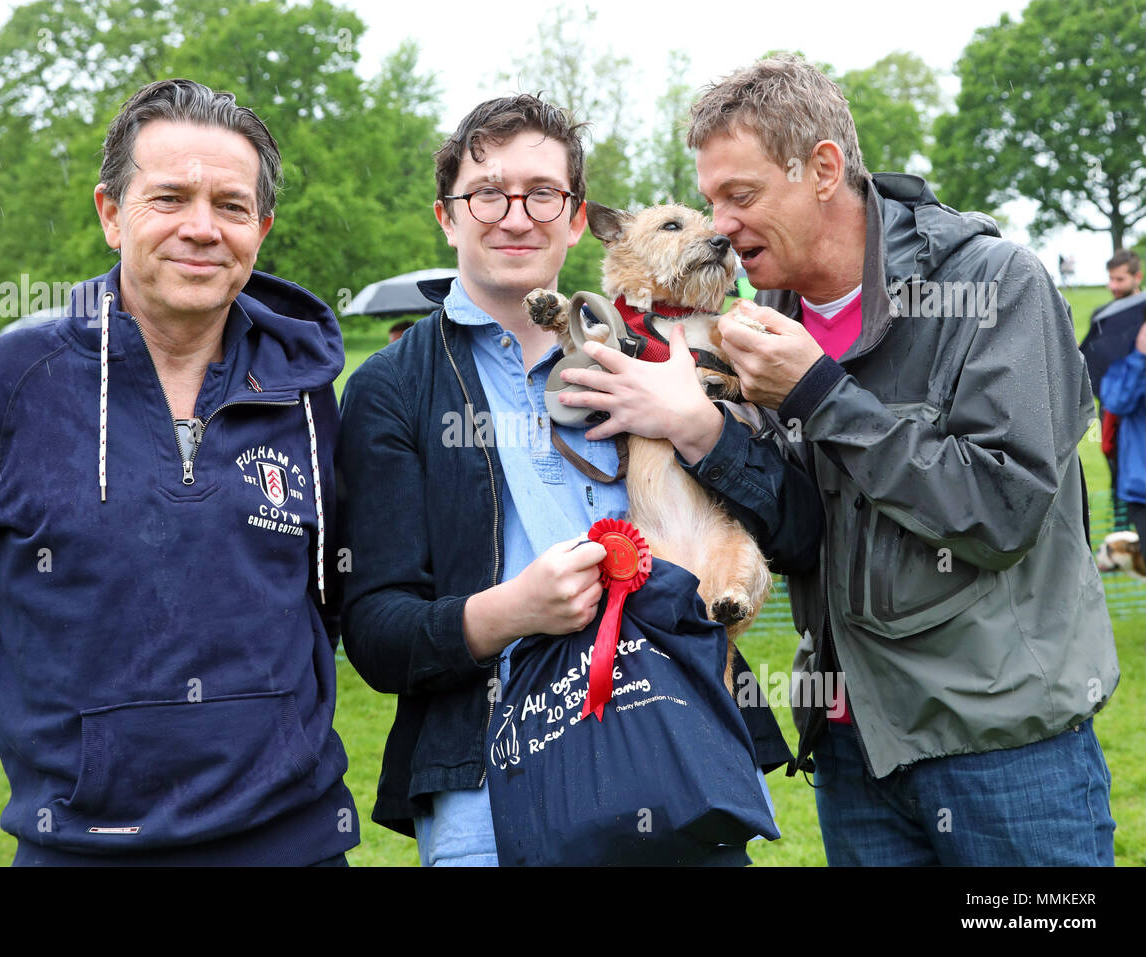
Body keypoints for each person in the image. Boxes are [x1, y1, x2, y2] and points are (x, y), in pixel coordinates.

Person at [579, 53, 1117, 866]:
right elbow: (798, 533)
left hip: (1004, 753)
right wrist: (702, 430)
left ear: (823, 168)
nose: (717, 224)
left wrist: (820, 394)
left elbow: (1001, 508)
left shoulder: (993, 283)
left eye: (741, 196)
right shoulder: (759, 324)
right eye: (710, 199)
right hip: (851, 751)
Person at [0, 78, 358, 866]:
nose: (202, 229)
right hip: (82, 847)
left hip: (296, 841)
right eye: (169, 197)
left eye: (232, 206)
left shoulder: (305, 393)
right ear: (111, 213)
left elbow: (329, 597)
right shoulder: (7, 382)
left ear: (262, 229)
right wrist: (66, 749)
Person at [337, 93, 794, 867]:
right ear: (447, 216)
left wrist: (698, 425)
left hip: (676, 757)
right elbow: (377, 632)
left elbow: (794, 524)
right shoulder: (393, 386)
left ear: (577, 217)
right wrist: (511, 611)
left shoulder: (664, 353)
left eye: (542, 193)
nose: (516, 215)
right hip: (492, 794)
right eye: (487, 192)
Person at [1092, 249, 1145, 531]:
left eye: (1120, 279)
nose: (1114, 286)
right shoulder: (1103, 318)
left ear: (1137, 277)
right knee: (1116, 470)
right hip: (1112, 406)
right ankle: (1120, 538)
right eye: (1110, 279)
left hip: (1140, 408)